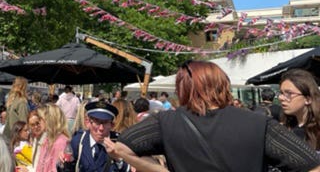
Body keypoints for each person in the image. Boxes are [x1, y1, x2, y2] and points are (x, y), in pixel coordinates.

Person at [109, 60, 320, 172]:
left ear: (183, 87)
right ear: (223, 84)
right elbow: (313, 166)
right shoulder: (259, 122)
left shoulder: (165, 121)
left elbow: (120, 148)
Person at [66, 101, 130, 172]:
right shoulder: (78, 141)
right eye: (97, 122)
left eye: (105, 122)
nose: (101, 128)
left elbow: (130, 169)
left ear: (112, 125)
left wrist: (118, 159)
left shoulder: (120, 143)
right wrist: (62, 163)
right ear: (87, 122)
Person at [278, 69, 320, 151]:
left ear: (308, 99)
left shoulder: (317, 131)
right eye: (281, 93)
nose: (281, 98)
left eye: (289, 94)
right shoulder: (284, 128)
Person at [35, 103, 70, 172]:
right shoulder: (47, 139)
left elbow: (55, 169)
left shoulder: (60, 142)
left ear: (49, 120)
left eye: (40, 119)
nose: (38, 122)